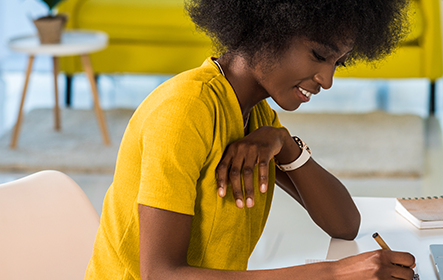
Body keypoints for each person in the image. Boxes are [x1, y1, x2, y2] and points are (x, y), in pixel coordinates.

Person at [84, 0, 417, 279]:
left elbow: (345, 224)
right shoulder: (185, 111)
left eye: (337, 63)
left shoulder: (255, 116)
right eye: (319, 55)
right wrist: (331, 273)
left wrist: (284, 143)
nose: (327, 80)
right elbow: (160, 274)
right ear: (268, 31)